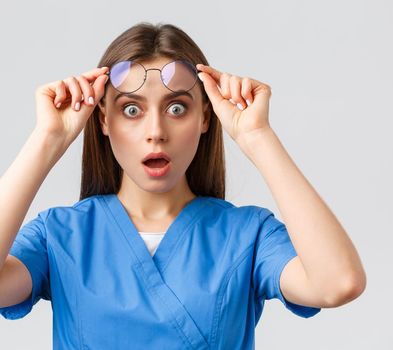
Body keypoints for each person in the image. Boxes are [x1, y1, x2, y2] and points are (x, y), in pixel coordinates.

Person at [0, 22, 365, 349]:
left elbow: (338, 282)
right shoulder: (60, 235)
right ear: (103, 121)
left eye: (177, 108)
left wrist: (257, 135)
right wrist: (48, 138)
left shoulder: (248, 235)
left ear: (205, 117)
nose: (156, 132)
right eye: (131, 109)